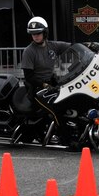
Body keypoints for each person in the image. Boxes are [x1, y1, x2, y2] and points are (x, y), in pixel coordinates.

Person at [21, 16, 73, 144]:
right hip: (36, 88)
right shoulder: (29, 51)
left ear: (45, 32)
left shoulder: (53, 46)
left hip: (51, 83)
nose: (36, 36)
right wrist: (44, 84)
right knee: (56, 110)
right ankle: (67, 140)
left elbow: (72, 47)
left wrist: (89, 46)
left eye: (38, 33)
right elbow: (29, 77)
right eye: (33, 34)